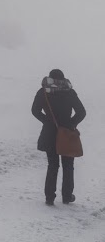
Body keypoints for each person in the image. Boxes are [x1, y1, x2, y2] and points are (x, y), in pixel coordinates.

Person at [31, 69, 86, 206]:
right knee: (68, 165)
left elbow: (35, 111)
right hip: (67, 133)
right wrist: (71, 124)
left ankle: (49, 197)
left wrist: (47, 121)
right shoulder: (69, 91)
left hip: (50, 133)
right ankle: (67, 196)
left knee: (52, 165)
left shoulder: (43, 91)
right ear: (63, 79)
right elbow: (82, 112)